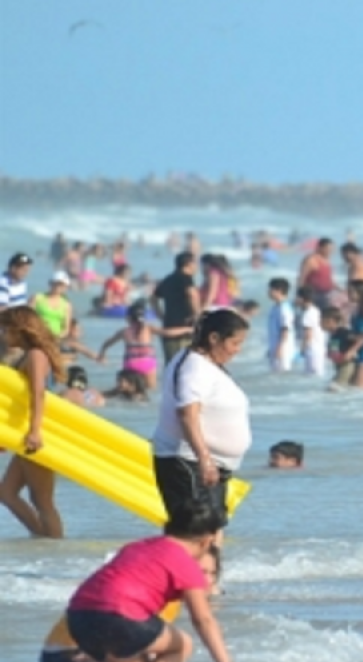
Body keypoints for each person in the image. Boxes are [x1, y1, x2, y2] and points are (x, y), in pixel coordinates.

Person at [58, 499, 234, 662]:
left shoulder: (138, 545)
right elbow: (203, 620)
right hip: (122, 616)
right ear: (206, 541)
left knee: (133, 653)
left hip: (78, 617)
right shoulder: (185, 562)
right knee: (182, 645)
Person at [152, 309, 252, 538]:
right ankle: (189, 574)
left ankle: (208, 574)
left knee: (212, 530)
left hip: (207, 463)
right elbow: (187, 414)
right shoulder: (193, 367)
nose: (237, 350)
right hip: (189, 462)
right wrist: (204, 458)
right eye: (235, 343)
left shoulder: (205, 363)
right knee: (196, 533)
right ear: (214, 338)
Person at [40, 543, 222, 661]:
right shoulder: (156, 593)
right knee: (179, 647)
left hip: (61, 651)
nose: (204, 580)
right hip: (71, 655)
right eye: (200, 572)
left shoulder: (142, 580)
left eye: (211, 573)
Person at [0, 306, 68, 538]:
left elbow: (38, 394)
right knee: (6, 493)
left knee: (42, 500)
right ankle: (43, 541)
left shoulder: (36, 355)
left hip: (38, 433)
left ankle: (55, 548)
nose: (3, 334)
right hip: (27, 433)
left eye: (6, 328)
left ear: (19, 329)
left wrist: (35, 431)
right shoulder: (29, 354)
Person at [97, 302, 183, 390]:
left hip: (130, 365)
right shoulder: (149, 328)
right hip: (147, 365)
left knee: (129, 392)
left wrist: (102, 354)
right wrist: (187, 330)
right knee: (151, 390)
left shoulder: (124, 331)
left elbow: (107, 343)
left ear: (128, 318)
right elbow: (167, 333)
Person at [151, 252, 201, 362]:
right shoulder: (186, 279)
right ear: (189, 264)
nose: (197, 266)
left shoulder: (168, 279)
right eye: (195, 263)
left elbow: (153, 298)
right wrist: (197, 315)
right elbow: (192, 294)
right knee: (186, 364)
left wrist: (160, 314)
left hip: (169, 327)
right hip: (185, 327)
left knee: (171, 364)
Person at [297, 238, 339, 309]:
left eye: (332, 249)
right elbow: (301, 278)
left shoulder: (327, 261)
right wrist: (299, 296)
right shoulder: (311, 260)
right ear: (320, 248)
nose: (330, 252)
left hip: (326, 295)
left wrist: (340, 289)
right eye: (328, 249)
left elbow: (329, 280)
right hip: (313, 295)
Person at [320, 306, 357, 387]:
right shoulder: (333, 335)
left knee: (333, 388)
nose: (319, 323)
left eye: (321, 321)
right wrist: (330, 353)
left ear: (330, 321)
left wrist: (351, 352)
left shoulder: (342, 332)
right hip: (340, 367)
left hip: (347, 366)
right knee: (332, 388)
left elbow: (357, 340)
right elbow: (334, 352)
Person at [295, 286, 327, 376]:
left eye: (297, 297)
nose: (296, 300)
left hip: (312, 350)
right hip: (319, 348)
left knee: (312, 375)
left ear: (302, 299)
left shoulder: (307, 314)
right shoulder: (315, 310)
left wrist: (302, 350)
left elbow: (308, 335)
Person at [266, 277, 295, 372]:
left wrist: (280, 348)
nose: (268, 292)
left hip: (282, 350)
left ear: (279, 291)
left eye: (271, 289)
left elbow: (285, 329)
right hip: (275, 348)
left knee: (282, 374)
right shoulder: (275, 307)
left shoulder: (284, 308)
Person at [32, 272, 73, 339]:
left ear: (66, 287)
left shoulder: (67, 305)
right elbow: (27, 318)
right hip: (37, 335)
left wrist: (56, 337)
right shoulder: (37, 298)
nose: (57, 287)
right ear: (50, 283)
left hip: (55, 338)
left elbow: (66, 329)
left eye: (61, 285)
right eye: (56, 284)